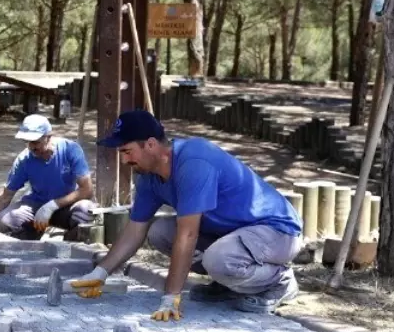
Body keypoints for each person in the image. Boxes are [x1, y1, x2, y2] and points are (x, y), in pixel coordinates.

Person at [71, 110, 302, 320]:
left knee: (219, 260)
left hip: (277, 232)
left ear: (150, 145)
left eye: (127, 151)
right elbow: (135, 229)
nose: (124, 160)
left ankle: (280, 282)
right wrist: (100, 272)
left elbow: (188, 235)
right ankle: (230, 283)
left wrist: (170, 298)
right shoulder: (149, 177)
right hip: (235, 234)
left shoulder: (194, 162)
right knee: (159, 232)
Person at [0, 114, 94, 241]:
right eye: (27, 142)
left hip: (66, 206)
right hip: (36, 207)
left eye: (35, 142)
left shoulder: (70, 150)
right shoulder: (24, 159)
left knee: (86, 211)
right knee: (3, 220)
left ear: (48, 137)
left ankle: (68, 243)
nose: (31, 147)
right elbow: (5, 196)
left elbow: (87, 190)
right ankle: (32, 242)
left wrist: (52, 205)